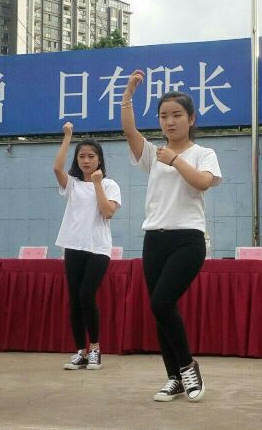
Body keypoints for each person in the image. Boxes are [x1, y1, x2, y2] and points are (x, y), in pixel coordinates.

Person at [121, 70, 222, 402]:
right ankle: (174, 378)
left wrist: (176, 160)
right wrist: (128, 95)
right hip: (155, 239)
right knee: (160, 309)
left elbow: (203, 182)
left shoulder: (203, 153)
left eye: (177, 115)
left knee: (161, 302)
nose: (170, 121)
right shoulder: (153, 154)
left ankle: (188, 367)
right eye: (164, 116)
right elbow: (130, 131)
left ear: (191, 119)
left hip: (188, 239)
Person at [53, 122, 121, 370]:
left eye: (91, 156)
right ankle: (81, 351)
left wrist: (97, 183)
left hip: (98, 249)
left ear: (99, 159)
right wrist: (67, 136)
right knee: (75, 299)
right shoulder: (72, 184)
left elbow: (107, 211)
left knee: (86, 295)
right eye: (81, 156)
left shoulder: (110, 185)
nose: (86, 160)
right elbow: (56, 168)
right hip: (73, 246)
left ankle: (95, 349)